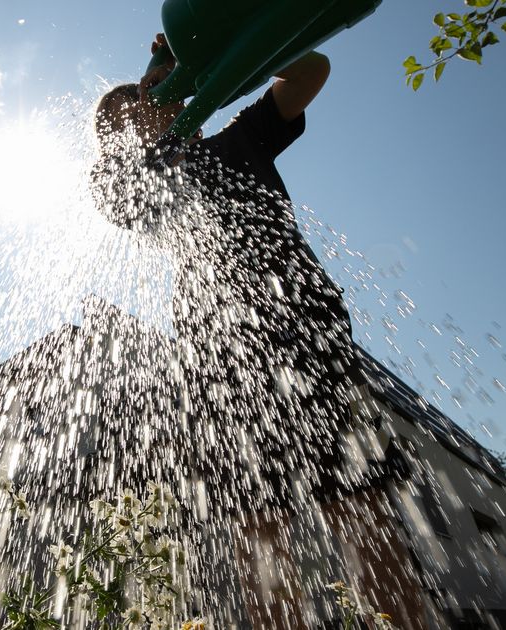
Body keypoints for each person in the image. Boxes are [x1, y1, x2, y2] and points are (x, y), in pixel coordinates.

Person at [90, 34, 429, 629]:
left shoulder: (240, 140)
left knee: (362, 512)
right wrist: (149, 102)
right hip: (221, 365)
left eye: (156, 102)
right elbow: (107, 191)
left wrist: (226, 55)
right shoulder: (138, 187)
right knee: (261, 533)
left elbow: (311, 72)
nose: (149, 115)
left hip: (306, 340)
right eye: (131, 120)